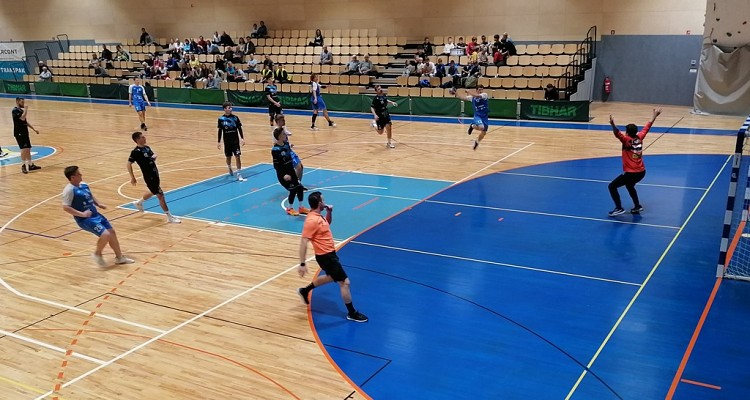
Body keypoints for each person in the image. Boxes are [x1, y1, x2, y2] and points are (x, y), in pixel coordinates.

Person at [297, 191, 368, 323]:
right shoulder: (312, 220)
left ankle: (305, 290)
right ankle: (352, 313)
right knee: (345, 282)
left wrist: (329, 212)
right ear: (319, 203)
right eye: (323, 200)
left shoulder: (319, 216)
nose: (325, 202)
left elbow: (327, 224)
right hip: (326, 256)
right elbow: (303, 242)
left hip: (330, 255)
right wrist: (302, 263)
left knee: (331, 277)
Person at [61, 166, 135, 267]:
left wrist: (98, 203)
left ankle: (119, 258)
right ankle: (97, 254)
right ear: (72, 177)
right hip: (85, 219)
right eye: (78, 174)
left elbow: (90, 195)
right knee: (105, 235)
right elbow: (66, 207)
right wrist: (82, 214)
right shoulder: (69, 190)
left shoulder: (84, 185)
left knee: (111, 232)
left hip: (95, 215)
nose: (81, 175)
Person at [607, 108, 662, 216]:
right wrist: (654, 116)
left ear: (627, 132)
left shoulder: (626, 140)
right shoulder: (640, 137)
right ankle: (637, 206)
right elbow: (647, 127)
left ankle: (619, 208)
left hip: (631, 173)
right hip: (641, 172)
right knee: (629, 185)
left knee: (612, 186)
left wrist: (612, 124)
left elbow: (617, 133)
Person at [127, 132, 181, 224]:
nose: (145, 138)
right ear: (137, 140)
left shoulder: (147, 148)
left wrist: (154, 157)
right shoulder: (136, 152)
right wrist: (133, 178)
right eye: (142, 137)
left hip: (155, 173)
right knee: (160, 195)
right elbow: (128, 164)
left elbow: (151, 158)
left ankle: (139, 202)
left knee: (153, 191)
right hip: (149, 176)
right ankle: (169, 217)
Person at [272, 127, 309, 216]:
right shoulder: (275, 150)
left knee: (299, 187)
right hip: (284, 174)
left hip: (291, 171)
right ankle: (289, 208)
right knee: (293, 189)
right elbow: (276, 165)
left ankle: (301, 207)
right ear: (279, 136)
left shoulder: (286, 145)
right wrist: (284, 175)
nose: (286, 135)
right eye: (284, 134)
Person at [453, 85, 490, 150]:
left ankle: (477, 141)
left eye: (482, 89)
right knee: (481, 127)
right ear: (476, 90)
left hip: (484, 116)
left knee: (484, 132)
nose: (481, 91)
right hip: (477, 115)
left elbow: (477, 96)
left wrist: (469, 92)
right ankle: (472, 126)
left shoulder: (484, 95)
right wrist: (456, 93)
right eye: (479, 90)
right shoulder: (472, 98)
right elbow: (463, 98)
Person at [217, 102, 246, 181]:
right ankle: (229, 167)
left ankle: (239, 174)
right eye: (229, 108)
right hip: (227, 142)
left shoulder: (235, 118)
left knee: (238, 156)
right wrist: (219, 142)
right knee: (228, 157)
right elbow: (220, 131)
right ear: (225, 109)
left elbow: (239, 128)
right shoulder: (221, 119)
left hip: (235, 141)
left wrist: (242, 138)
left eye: (231, 107)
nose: (231, 109)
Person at [12, 97, 41, 174]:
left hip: (25, 132)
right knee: (23, 149)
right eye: (22, 102)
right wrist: (26, 109)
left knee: (28, 148)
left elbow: (25, 121)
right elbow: (22, 118)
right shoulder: (15, 110)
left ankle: (30, 165)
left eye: (23, 102)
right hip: (19, 133)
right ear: (17, 102)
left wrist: (33, 129)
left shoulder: (21, 110)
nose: (23, 103)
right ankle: (23, 165)